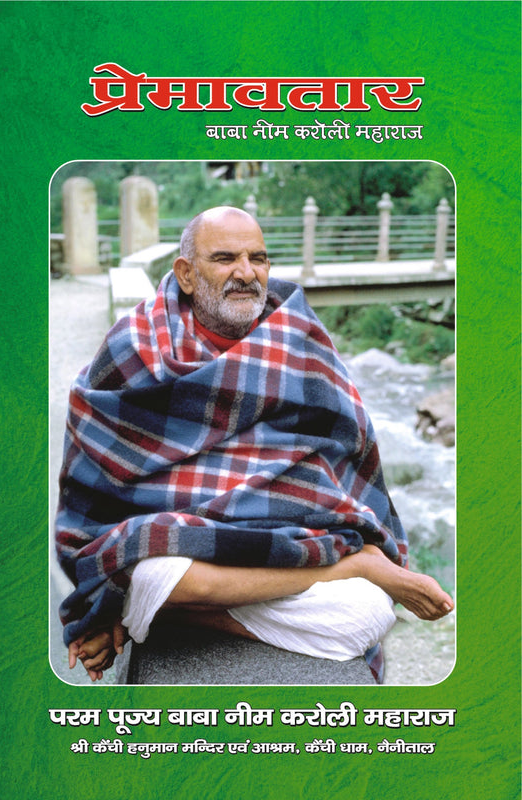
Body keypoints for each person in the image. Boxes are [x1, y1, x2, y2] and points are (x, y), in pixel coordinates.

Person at [56, 206, 453, 683]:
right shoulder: (135, 347)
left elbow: (345, 454)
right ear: (185, 273)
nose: (246, 273)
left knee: (364, 618)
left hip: (295, 539)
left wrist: (117, 608)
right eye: (225, 258)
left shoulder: (301, 341)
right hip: (182, 545)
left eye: (258, 258)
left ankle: (146, 613)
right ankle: (355, 568)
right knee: (146, 566)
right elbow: (94, 484)